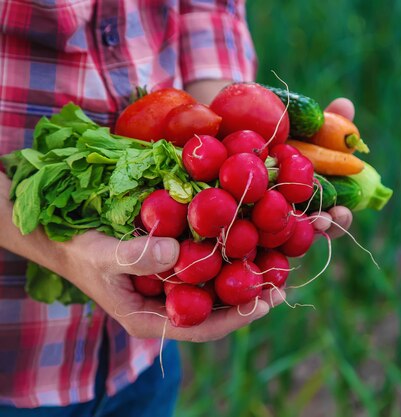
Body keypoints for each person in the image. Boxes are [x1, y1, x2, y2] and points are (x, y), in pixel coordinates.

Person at [0, 1, 353, 416]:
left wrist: (221, 128)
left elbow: (208, 8)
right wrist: (58, 249)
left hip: (145, 357)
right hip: (17, 358)